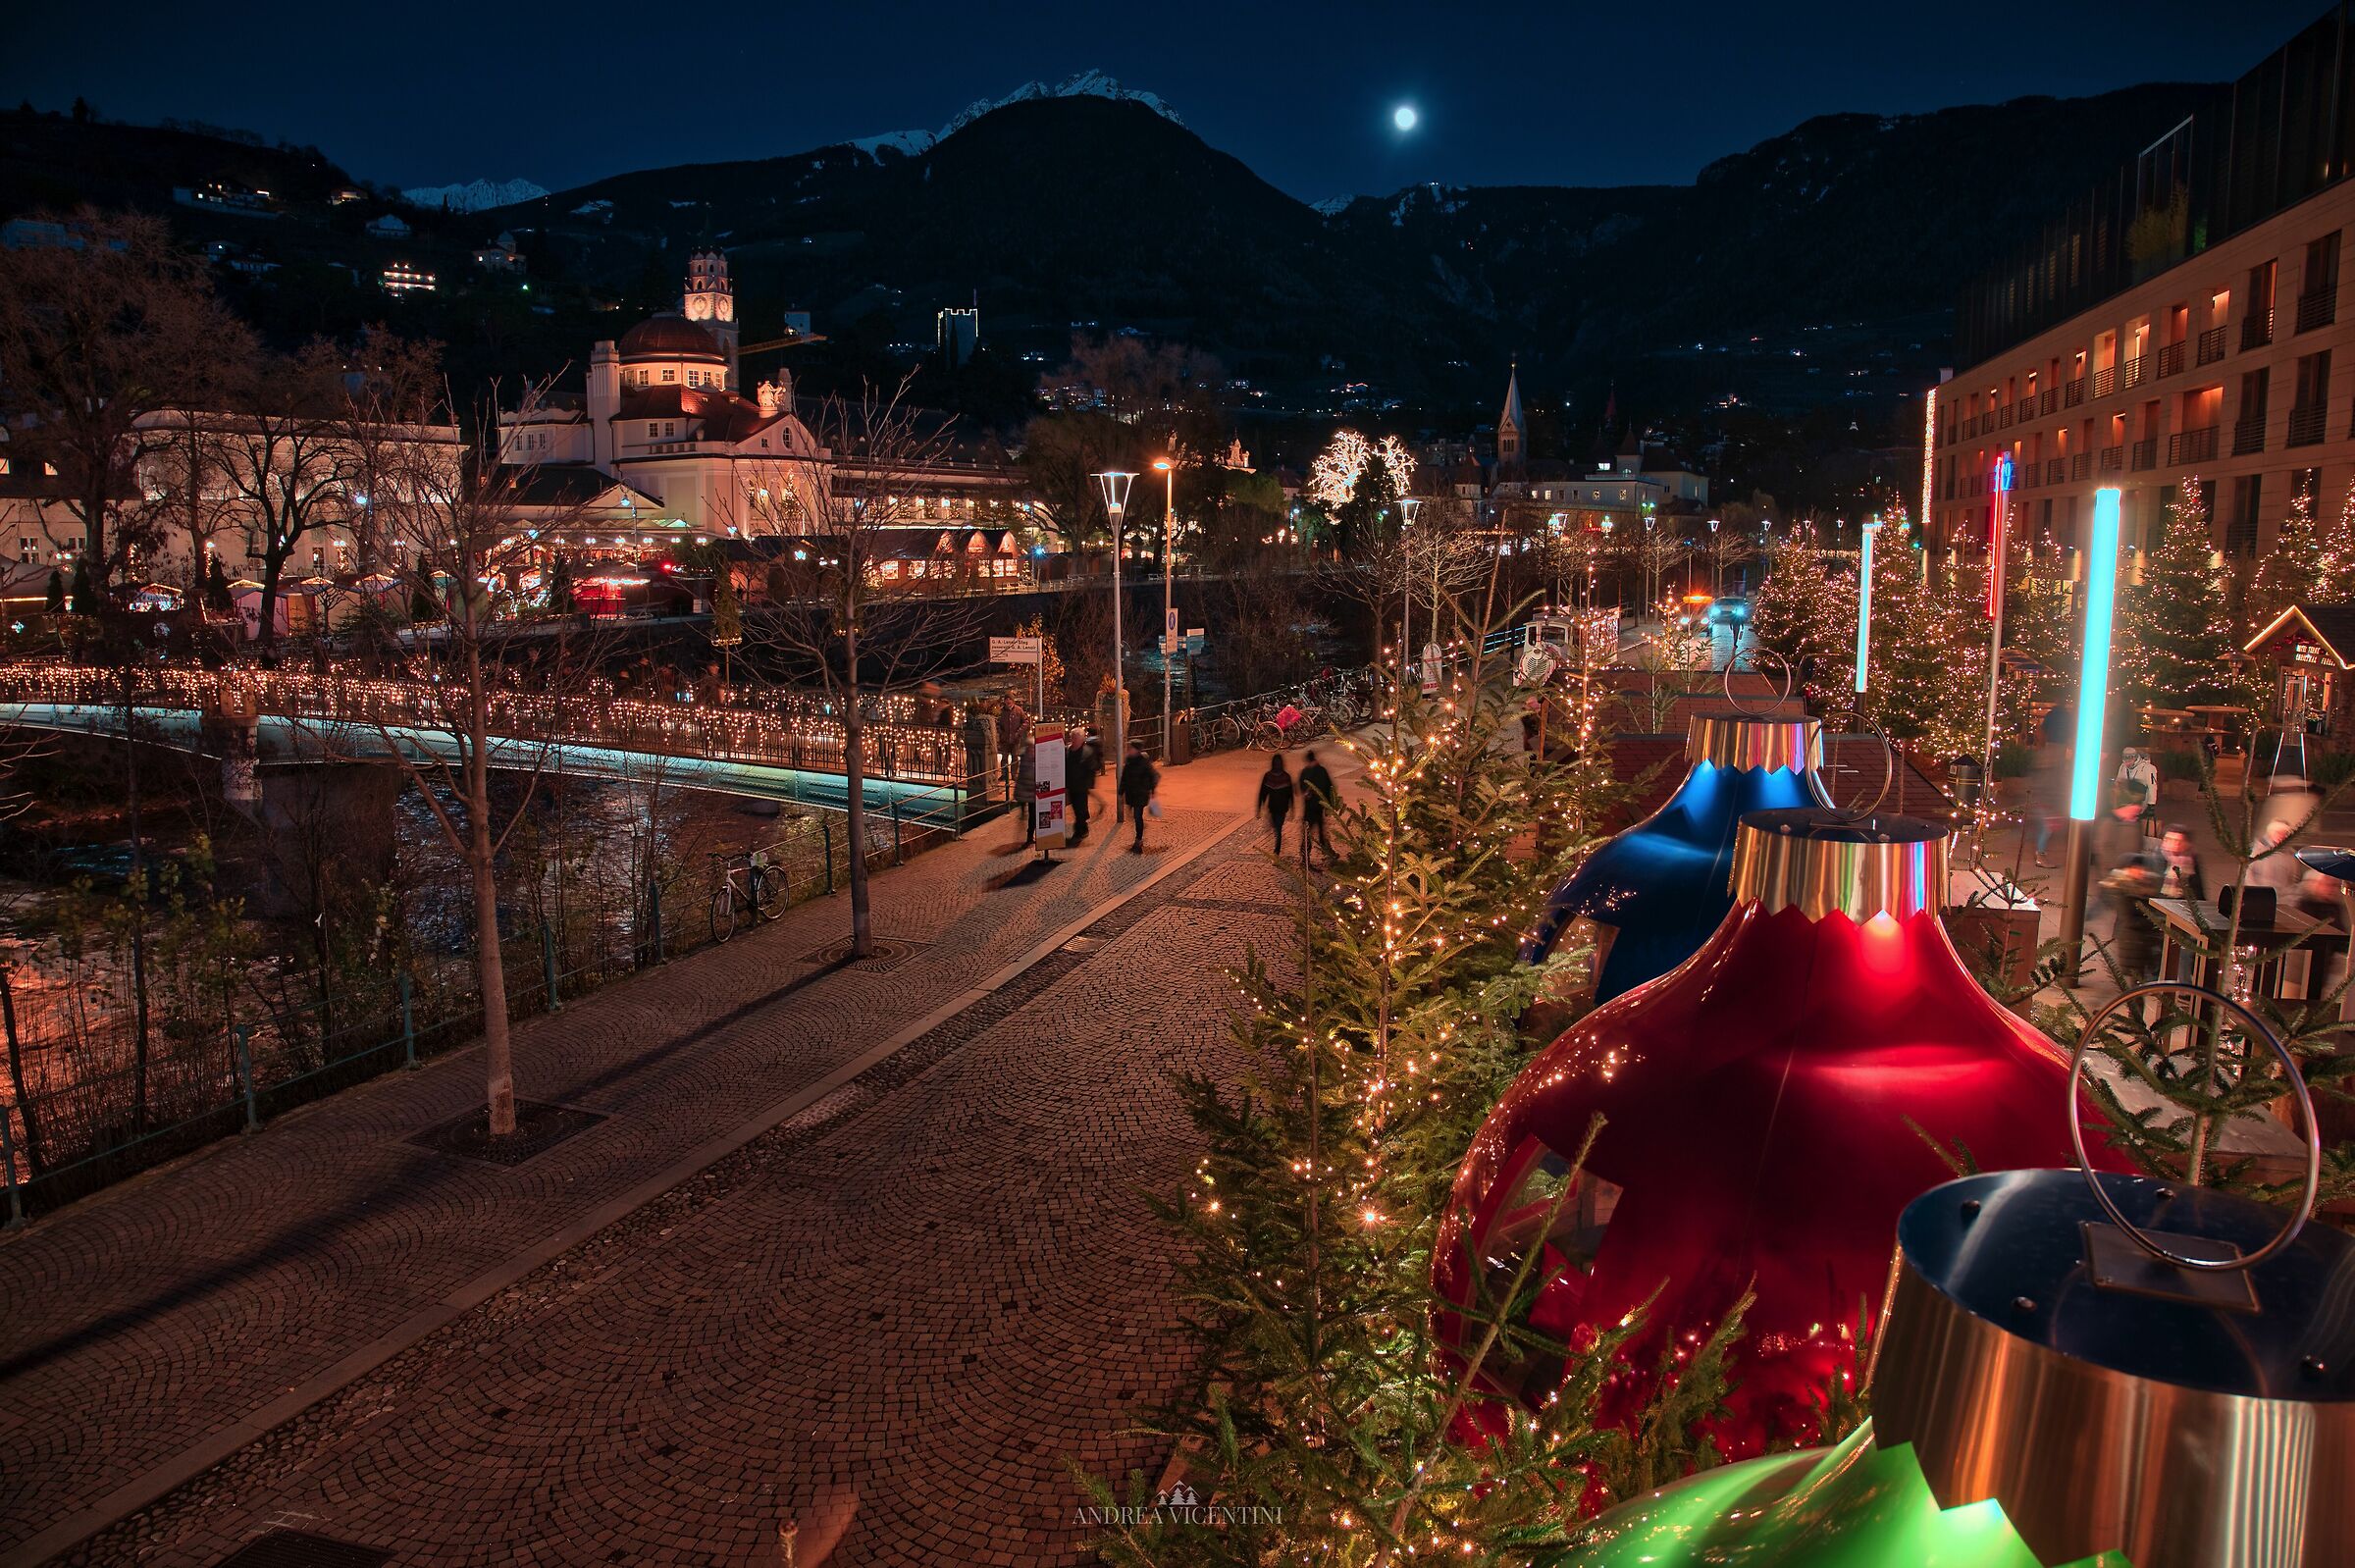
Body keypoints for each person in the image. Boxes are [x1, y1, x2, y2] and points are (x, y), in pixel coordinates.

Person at [1297, 747, 1335, 869]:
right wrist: (1330, 805)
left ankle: (1305, 857)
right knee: (1321, 831)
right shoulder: (1322, 771)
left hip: (1309, 807)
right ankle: (1328, 853)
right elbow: (1330, 787)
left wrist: (1306, 793)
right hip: (1320, 806)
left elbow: (1301, 788)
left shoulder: (1305, 771)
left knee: (1308, 832)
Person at [1119, 741, 1160, 853]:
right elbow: (1124, 776)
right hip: (1131, 794)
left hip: (1141, 794)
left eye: (1131, 748)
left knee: (1137, 816)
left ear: (1137, 750)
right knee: (1132, 815)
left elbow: (1154, 776)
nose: (1129, 749)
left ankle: (1138, 839)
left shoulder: (1144, 763)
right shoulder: (1129, 761)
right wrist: (1121, 790)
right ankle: (1139, 829)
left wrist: (1151, 790)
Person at [1068, 725, 1101, 844]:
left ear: (1081, 740)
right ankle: (1083, 827)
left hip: (1081, 786)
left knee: (1080, 809)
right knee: (1077, 808)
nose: (1074, 740)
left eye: (1076, 738)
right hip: (1071, 785)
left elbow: (1093, 768)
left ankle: (1079, 831)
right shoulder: (1067, 750)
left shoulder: (1088, 752)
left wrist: (1088, 783)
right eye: (1072, 737)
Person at [1257, 752, 1296, 854]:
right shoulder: (1286, 777)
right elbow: (1290, 794)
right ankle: (1277, 842)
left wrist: (1259, 808)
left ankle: (1276, 851)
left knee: (1277, 828)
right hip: (1282, 808)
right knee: (1277, 827)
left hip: (1273, 807)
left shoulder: (1268, 776)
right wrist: (1292, 809)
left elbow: (1262, 793)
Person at [1014, 731, 1037, 846]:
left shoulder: (1025, 757)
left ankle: (1029, 835)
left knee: (1032, 815)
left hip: (1028, 791)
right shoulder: (1031, 759)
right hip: (1029, 791)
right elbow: (1028, 776)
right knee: (1032, 815)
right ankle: (1029, 836)